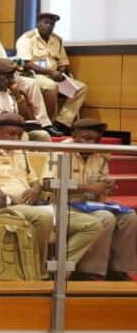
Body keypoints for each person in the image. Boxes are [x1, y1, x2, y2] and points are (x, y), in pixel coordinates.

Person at [0, 113, 101, 273]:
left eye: (19, 135)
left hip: (31, 204)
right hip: (5, 205)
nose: (16, 139)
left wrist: (34, 189)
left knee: (92, 225)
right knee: (43, 217)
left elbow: (35, 180)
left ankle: (56, 272)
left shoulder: (20, 151)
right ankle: (37, 271)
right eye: (11, 134)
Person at [44, 119, 136, 281]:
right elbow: (47, 184)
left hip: (91, 204)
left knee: (129, 217)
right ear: (74, 135)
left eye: (96, 140)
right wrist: (88, 187)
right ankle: (87, 271)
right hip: (62, 204)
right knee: (105, 217)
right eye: (86, 138)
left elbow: (100, 183)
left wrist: (105, 186)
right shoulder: (59, 151)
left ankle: (119, 270)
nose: (91, 143)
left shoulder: (100, 154)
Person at [15, 12, 88, 131]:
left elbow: (63, 62)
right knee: (51, 86)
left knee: (80, 88)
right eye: (46, 23)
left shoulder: (57, 40)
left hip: (54, 75)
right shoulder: (27, 38)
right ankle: (48, 124)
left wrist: (62, 70)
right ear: (37, 23)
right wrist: (50, 73)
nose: (49, 26)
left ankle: (62, 123)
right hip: (33, 75)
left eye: (52, 24)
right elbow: (25, 64)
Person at [0, 59, 52, 141]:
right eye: (6, 76)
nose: (9, 80)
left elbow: (29, 120)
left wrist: (18, 97)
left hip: (11, 131)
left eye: (11, 76)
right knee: (19, 135)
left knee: (42, 135)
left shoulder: (12, 93)